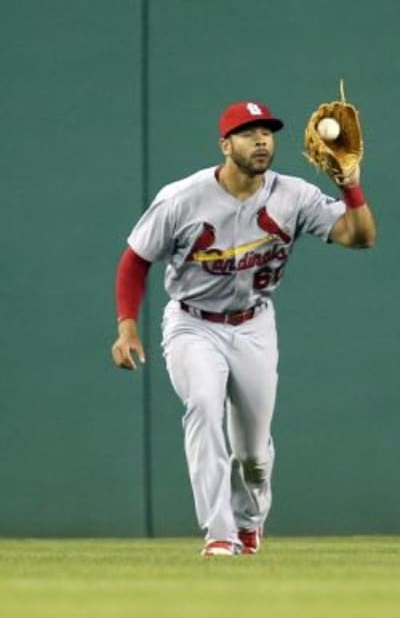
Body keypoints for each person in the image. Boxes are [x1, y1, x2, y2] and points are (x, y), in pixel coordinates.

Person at [111, 100, 376, 556]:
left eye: (267, 133)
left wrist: (350, 186)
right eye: (248, 132)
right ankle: (219, 533)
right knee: (203, 409)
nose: (261, 140)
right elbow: (135, 259)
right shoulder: (182, 198)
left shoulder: (293, 195)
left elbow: (360, 236)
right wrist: (126, 326)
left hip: (254, 325)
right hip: (192, 324)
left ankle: (249, 522)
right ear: (225, 144)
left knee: (253, 455)